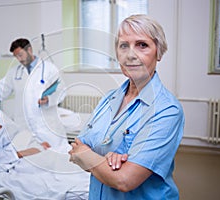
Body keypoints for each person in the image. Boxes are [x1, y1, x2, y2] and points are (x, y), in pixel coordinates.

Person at [68, 14, 185, 199]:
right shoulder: (109, 99)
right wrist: (106, 159)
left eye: (142, 45)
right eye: (124, 46)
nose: (131, 55)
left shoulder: (167, 110)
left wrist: (88, 156)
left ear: (159, 52)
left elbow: (125, 180)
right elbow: (77, 149)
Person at [0, 38, 69, 152]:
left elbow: (62, 91)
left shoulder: (49, 68)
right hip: (26, 129)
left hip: (48, 128)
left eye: (20, 55)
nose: (19, 59)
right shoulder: (14, 72)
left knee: (58, 159)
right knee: (34, 160)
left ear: (29, 50)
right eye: (16, 57)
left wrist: (49, 99)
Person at [0, 103, 49, 167]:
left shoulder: (8, 127)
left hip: (34, 149)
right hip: (22, 157)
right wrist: (23, 153)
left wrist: (39, 145)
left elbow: (23, 138)